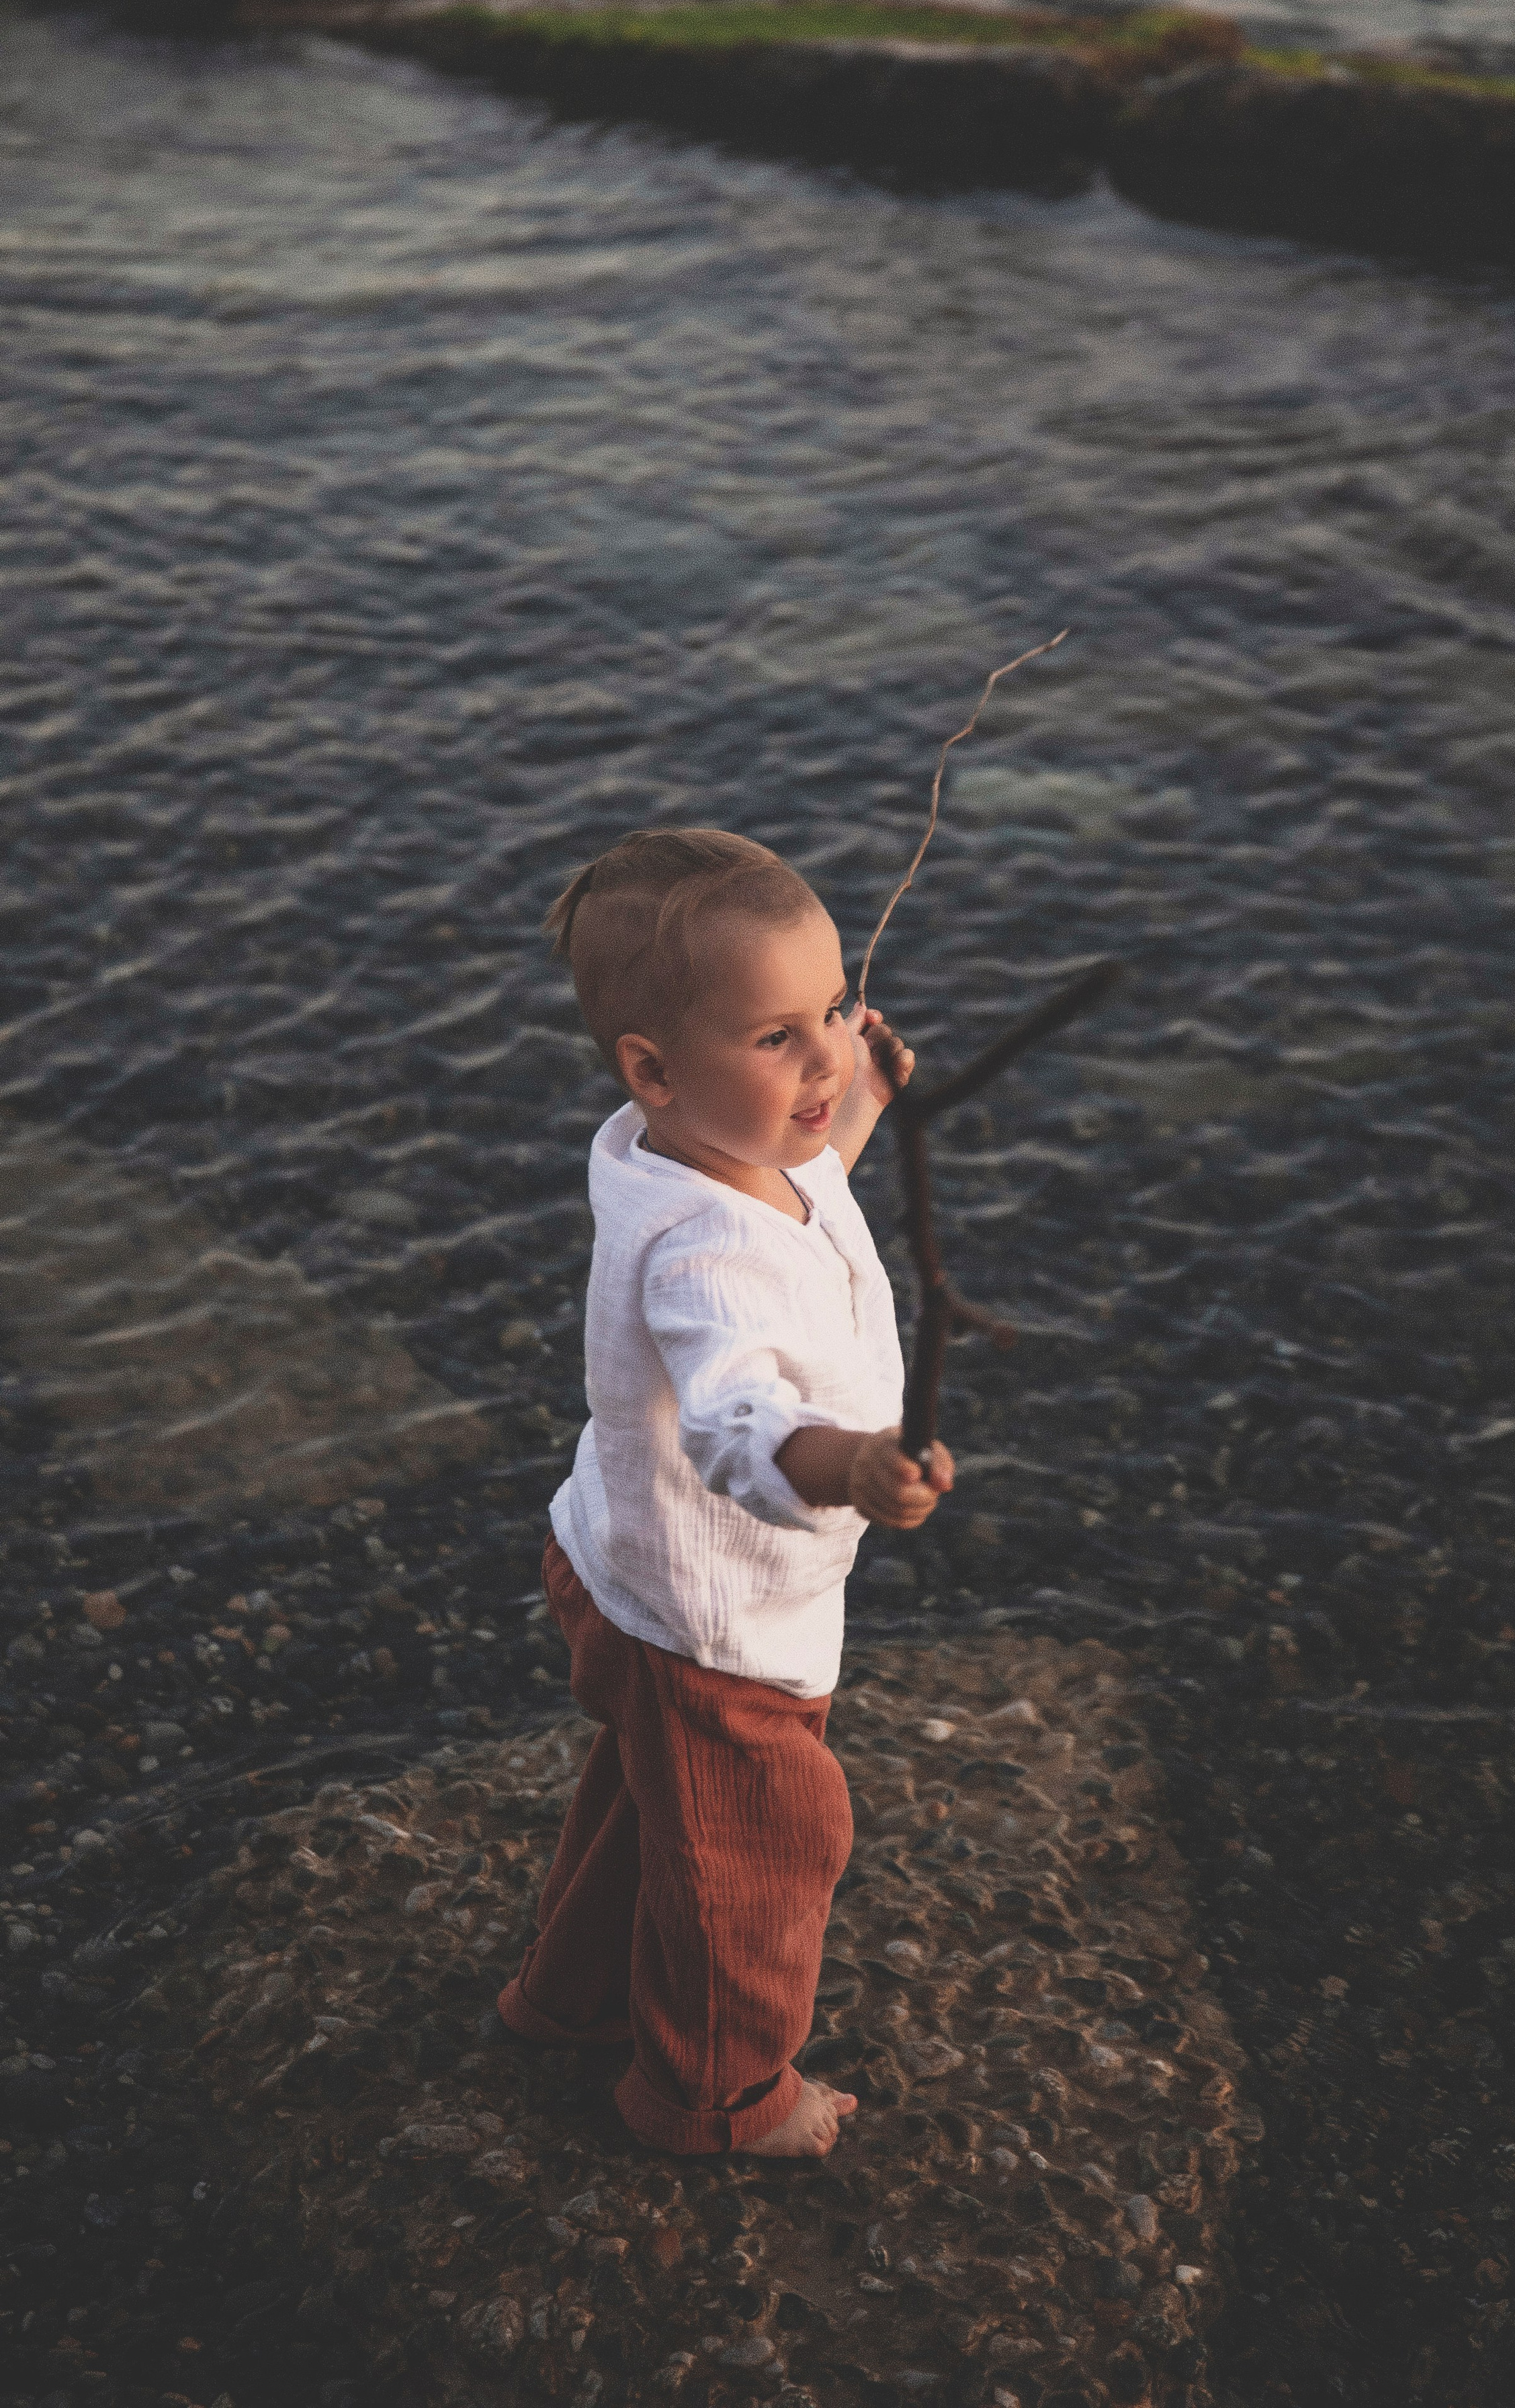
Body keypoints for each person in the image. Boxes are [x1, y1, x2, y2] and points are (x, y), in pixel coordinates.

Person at [496, 827, 954, 2159]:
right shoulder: (699, 1255)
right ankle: (715, 2098)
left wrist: (853, 1108)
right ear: (653, 1067)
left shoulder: (689, 1150)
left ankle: (573, 1999)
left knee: (654, 1809)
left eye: (833, 1010)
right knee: (756, 1852)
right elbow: (735, 1415)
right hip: (707, 1618)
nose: (825, 1057)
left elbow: (796, 1184)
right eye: (776, 1038)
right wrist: (850, 1466)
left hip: (632, 1563)